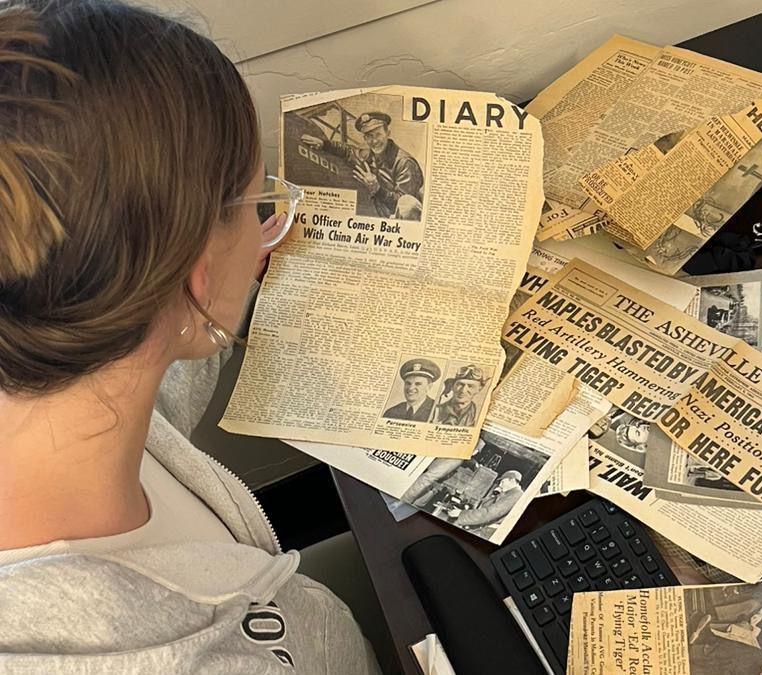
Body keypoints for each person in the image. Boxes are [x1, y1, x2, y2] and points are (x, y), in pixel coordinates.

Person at [0, 2, 381, 672]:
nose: (269, 223)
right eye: (255, 205)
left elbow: (150, 385)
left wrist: (229, 261)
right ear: (194, 280)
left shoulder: (41, 340)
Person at [300, 111, 424, 219]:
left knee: (407, 205)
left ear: (388, 133)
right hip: (383, 216)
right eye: (369, 137)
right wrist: (324, 144)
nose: (374, 141)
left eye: (378, 135)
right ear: (365, 139)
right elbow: (347, 150)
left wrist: (377, 189)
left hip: (402, 220)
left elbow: (405, 205)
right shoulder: (367, 155)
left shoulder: (405, 163)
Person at [448, 470, 524, 532]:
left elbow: (489, 513)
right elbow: (486, 505)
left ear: (512, 480)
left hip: (489, 531)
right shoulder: (509, 494)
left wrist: (461, 514)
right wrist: (495, 495)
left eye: (502, 482)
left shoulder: (515, 495)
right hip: (486, 527)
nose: (500, 485)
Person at [382, 357, 440, 421]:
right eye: (408, 383)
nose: (411, 388)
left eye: (418, 384)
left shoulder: (438, 411)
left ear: (429, 386)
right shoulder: (391, 413)